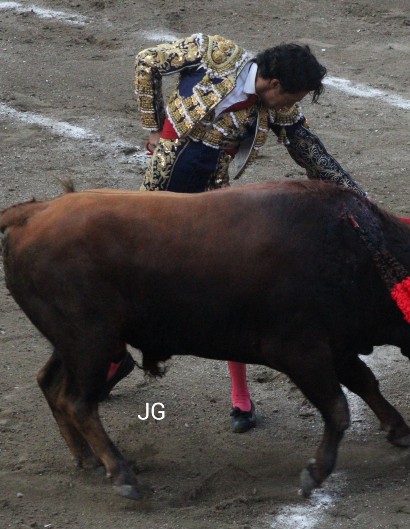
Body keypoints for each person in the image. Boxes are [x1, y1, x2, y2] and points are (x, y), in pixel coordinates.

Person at [100, 33, 365, 434]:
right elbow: (147, 61)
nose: (289, 107)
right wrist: (152, 126)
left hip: (213, 194)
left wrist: (355, 195)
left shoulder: (275, 108)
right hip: (161, 187)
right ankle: (113, 359)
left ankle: (241, 396)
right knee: (132, 277)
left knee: (230, 286)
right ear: (274, 84)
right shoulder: (215, 53)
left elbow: (309, 150)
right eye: (291, 97)